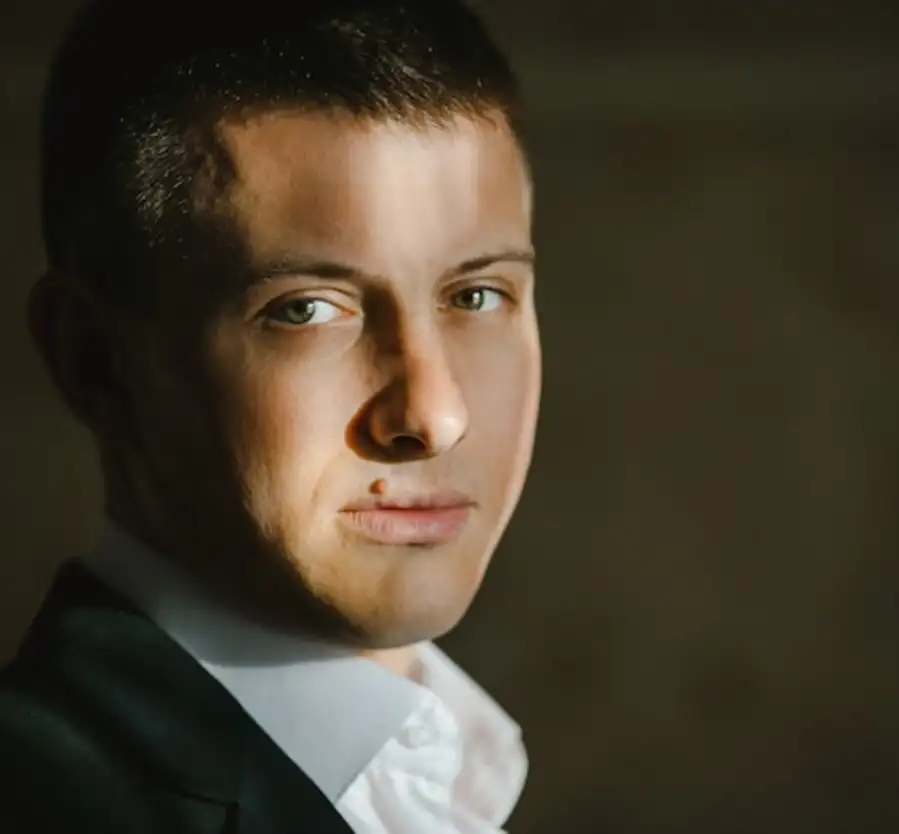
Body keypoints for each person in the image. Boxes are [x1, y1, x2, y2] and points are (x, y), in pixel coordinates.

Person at [0, 1, 540, 831]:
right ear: (93, 362)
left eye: (476, 294)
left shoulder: (460, 770)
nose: (434, 416)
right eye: (307, 310)